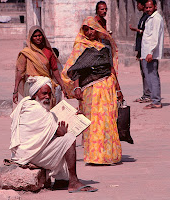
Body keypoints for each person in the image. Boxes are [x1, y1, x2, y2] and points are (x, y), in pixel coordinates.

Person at [10, 76, 98, 193]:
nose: (47, 97)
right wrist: (65, 126)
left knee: (61, 141)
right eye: (44, 93)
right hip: (29, 155)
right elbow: (60, 132)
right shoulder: (36, 110)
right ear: (35, 94)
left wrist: (73, 116)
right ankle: (73, 181)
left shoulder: (29, 105)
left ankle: (62, 180)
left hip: (29, 152)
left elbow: (50, 128)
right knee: (69, 139)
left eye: (49, 94)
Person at [62, 16, 123, 165]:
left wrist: (118, 89)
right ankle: (95, 156)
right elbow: (75, 69)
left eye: (92, 29)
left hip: (107, 87)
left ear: (97, 29)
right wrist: (76, 87)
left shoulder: (105, 46)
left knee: (108, 120)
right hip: (90, 90)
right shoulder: (80, 46)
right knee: (94, 122)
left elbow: (111, 69)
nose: (90, 32)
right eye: (86, 29)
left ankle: (109, 155)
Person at [12, 25, 67, 105]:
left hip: (46, 85)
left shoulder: (48, 52)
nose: (38, 38)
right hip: (32, 86)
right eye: (35, 36)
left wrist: (62, 85)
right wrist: (15, 90)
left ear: (43, 36)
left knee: (48, 107)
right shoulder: (26, 53)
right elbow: (20, 72)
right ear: (31, 38)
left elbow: (55, 69)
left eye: (39, 35)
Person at [141, 0, 164, 109]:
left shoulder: (156, 19)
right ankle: (154, 99)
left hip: (150, 53)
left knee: (152, 76)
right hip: (146, 52)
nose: (148, 9)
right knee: (149, 76)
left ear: (155, 6)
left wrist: (150, 52)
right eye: (147, 7)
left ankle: (156, 101)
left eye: (150, 7)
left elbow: (155, 37)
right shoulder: (150, 18)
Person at [130, 0, 151, 103]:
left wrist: (136, 30)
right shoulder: (143, 17)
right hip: (141, 49)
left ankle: (148, 94)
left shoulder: (148, 18)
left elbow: (147, 33)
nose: (137, 6)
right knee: (143, 72)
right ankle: (146, 94)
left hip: (146, 49)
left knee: (147, 72)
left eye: (138, 4)